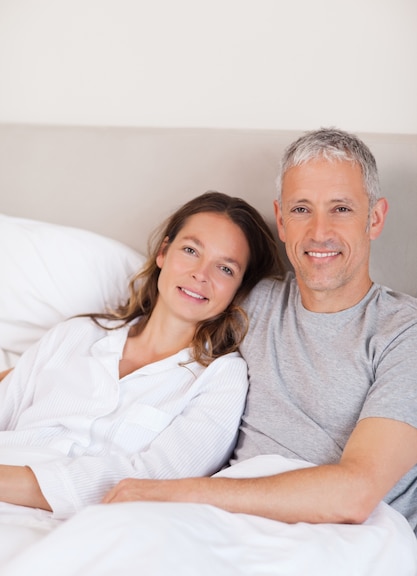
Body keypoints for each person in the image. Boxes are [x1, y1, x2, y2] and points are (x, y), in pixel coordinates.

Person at [103, 128, 417, 536]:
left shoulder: (402, 332)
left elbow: (355, 494)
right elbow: (131, 344)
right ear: (282, 220)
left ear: (374, 218)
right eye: (302, 209)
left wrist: (166, 493)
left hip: (348, 539)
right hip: (227, 526)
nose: (319, 232)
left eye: (341, 208)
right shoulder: (249, 302)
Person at [0, 191, 283, 520]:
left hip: (66, 522)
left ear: (240, 289)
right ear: (164, 252)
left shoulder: (221, 379)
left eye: (225, 268)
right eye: (191, 250)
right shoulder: (77, 334)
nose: (201, 274)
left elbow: (153, 482)